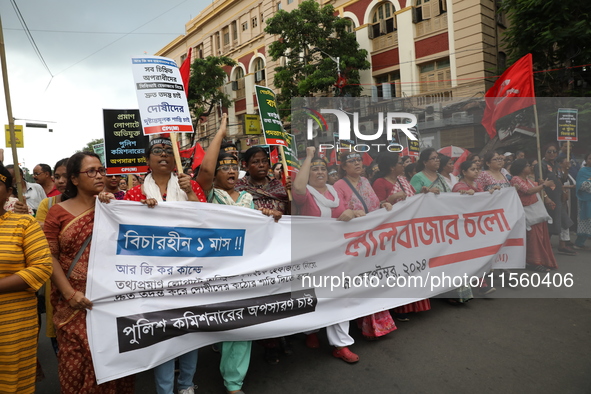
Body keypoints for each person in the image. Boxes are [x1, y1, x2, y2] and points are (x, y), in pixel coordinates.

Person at [198, 115, 281, 392]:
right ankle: (224, 355)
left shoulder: (247, 198)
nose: (231, 172)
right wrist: (220, 133)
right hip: (217, 270)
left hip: (244, 269)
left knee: (240, 323)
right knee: (225, 320)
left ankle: (233, 381)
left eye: (235, 167)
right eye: (225, 168)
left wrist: (269, 214)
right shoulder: (210, 196)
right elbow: (205, 174)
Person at [118, 138, 205, 394]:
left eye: (169, 151)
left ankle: (187, 385)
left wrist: (190, 192)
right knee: (163, 334)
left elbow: (207, 222)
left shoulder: (192, 186)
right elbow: (126, 232)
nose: (164, 154)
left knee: (191, 332)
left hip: (189, 271)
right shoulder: (135, 194)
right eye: (157, 151)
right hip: (154, 276)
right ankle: (165, 390)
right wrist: (142, 212)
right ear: (148, 161)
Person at [44, 152, 135, 393]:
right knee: (77, 364)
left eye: (101, 170)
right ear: (74, 179)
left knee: (114, 366)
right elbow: (49, 257)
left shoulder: (113, 208)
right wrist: (70, 294)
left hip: (110, 303)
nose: (99, 175)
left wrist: (146, 208)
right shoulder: (58, 213)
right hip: (74, 304)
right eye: (91, 171)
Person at [294, 147, 360, 363]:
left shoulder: (334, 191)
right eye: (314, 169)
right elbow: (298, 186)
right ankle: (310, 331)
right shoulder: (304, 195)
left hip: (337, 253)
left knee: (340, 297)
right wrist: (310, 156)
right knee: (312, 296)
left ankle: (341, 344)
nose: (320, 172)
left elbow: (350, 213)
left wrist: (352, 213)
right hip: (310, 254)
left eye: (323, 168)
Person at [0, 163, 53, 394]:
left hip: (14, 326)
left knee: (13, 384)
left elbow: (41, 268)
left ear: (9, 192)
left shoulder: (24, 224)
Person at [235, 147, 290, 363]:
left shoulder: (279, 185)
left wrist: (290, 196)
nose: (261, 165)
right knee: (262, 297)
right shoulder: (239, 188)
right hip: (255, 249)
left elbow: (292, 214)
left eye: (264, 161)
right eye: (255, 162)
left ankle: (281, 335)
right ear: (246, 166)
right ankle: (268, 344)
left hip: (280, 247)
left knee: (280, 293)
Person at [333, 151, 396, 339]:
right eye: (351, 161)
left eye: (358, 160)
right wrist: (352, 212)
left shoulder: (365, 181)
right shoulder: (338, 185)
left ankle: (375, 322)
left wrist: (384, 204)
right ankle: (363, 322)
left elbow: (373, 204)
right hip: (354, 240)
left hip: (372, 237)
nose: (357, 163)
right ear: (343, 166)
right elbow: (340, 212)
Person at [371, 151, 431, 320]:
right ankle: (399, 308)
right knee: (398, 270)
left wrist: (423, 193)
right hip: (392, 233)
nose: (402, 165)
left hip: (409, 231)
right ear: (391, 166)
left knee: (412, 267)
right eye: (399, 163)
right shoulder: (379, 182)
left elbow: (412, 198)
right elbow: (377, 207)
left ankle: (415, 303)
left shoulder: (403, 180)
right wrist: (391, 198)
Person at [35, 158, 68, 355]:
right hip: (56, 278)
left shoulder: (99, 202)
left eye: (66, 176)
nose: (61, 181)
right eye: (58, 177)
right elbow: (42, 238)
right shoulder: (47, 204)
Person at [510, 159, 558, 271]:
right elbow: (529, 191)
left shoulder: (527, 179)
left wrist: (544, 190)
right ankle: (533, 262)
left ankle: (542, 260)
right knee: (533, 238)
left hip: (535, 211)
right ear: (522, 168)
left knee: (540, 237)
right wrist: (544, 185)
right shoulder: (515, 179)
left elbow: (536, 187)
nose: (530, 167)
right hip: (526, 212)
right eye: (528, 165)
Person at [535, 143, 577, 256]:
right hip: (549, 197)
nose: (552, 154)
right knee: (550, 222)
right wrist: (546, 197)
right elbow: (539, 182)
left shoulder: (557, 166)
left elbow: (562, 180)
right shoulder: (541, 165)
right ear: (544, 153)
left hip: (558, 197)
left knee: (564, 220)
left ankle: (562, 245)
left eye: (554, 151)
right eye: (549, 151)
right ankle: (545, 247)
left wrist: (566, 170)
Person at [574, 151, 591, 250]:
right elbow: (582, 185)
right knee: (585, 221)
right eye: (590, 158)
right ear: (586, 160)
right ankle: (579, 243)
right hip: (586, 202)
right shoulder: (583, 171)